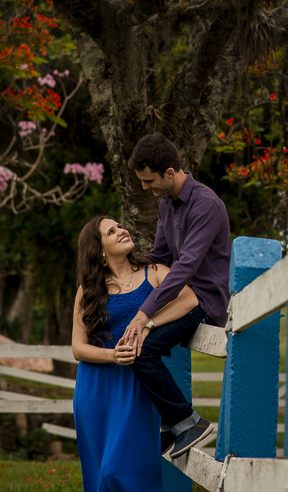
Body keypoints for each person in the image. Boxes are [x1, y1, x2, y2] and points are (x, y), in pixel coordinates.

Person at [116, 133, 231, 459]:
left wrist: (144, 315)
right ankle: (172, 423)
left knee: (143, 351)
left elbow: (183, 268)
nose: (144, 187)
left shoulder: (206, 205)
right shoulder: (167, 204)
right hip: (178, 299)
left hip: (205, 303)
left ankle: (186, 421)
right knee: (135, 345)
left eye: (148, 180)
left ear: (170, 172)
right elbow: (159, 259)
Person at [72, 214, 200, 492]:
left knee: (120, 469)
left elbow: (190, 299)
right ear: (99, 250)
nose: (121, 230)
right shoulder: (89, 290)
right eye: (111, 231)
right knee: (99, 477)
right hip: (94, 389)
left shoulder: (153, 272)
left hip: (135, 385)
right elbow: (78, 348)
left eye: (120, 226)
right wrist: (111, 356)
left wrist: (149, 323)